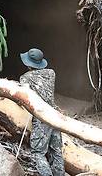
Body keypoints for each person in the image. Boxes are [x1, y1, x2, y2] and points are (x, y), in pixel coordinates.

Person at [19, 48, 64, 176]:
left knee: (38, 153)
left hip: (41, 117)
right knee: (56, 151)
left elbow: (24, 96)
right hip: (55, 115)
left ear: (28, 64)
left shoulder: (25, 78)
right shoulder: (51, 73)